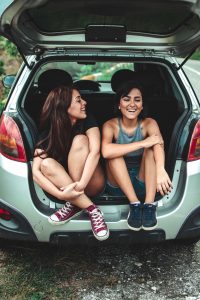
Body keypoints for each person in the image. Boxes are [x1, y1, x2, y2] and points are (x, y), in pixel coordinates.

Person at [32, 85, 109, 241]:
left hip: (92, 182)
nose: (85, 103)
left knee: (80, 139)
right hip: (67, 189)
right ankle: (92, 210)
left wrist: (79, 187)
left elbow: (95, 152)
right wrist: (61, 194)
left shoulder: (88, 120)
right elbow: (36, 172)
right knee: (45, 164)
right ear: (64, 105)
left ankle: (74, 203)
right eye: (79, 100)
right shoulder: (48, 132)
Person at [101, 80, 172, 231]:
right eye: (126, 99)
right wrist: (142, 143)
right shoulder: (110, 125)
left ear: (142, 105)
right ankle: (134, 204)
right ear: (119, 104)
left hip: (144, 183)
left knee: (151, 149)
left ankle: (148, 205)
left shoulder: (149, 123)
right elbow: (106, 151)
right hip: (118, 185)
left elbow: (158, 144)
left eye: (137, 100)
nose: (132, 104)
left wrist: (160, 170)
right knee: (114, 154)